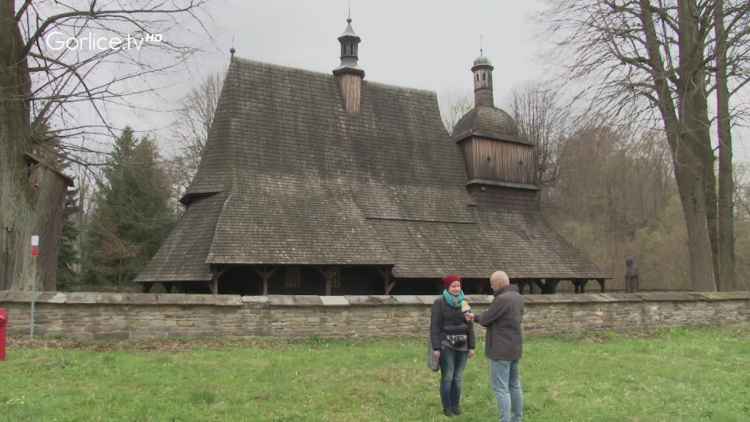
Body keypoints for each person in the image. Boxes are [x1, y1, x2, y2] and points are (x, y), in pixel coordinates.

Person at [467, 271, 524, 422]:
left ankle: (504, 420)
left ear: (498, 284)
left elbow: (486, 319)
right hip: (514, 347)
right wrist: (476, 317)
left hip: (500, 349)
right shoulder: (517, 297)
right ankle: (516, 419)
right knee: (514, 385)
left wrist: (477, 317)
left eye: (492, 285)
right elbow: (497, 318)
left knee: (501, 389)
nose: (492, 288)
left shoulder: (501, 299)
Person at [430, 273, 476, 417]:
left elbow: (469, 325)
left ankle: (456, 405)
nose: (456, 289)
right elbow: (434, 326)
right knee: (448, 376)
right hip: (446, 344)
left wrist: (472, 346)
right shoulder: (440, 303)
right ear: (447, 287)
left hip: (462, 344)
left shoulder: (464, 303)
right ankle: (447, 407)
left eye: (458, 286)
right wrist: (436, 348)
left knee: (458, 377)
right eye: (453, 286)